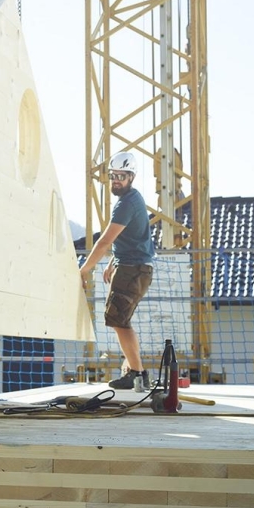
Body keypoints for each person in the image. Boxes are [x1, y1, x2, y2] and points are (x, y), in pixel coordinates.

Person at [79, 151, 156, 390]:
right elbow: (131, 237)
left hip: (132, 269)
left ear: (131, 177)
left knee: (119, 320)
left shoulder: (126, 204)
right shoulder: (133, 199)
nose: (116, 180)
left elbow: (104, 240)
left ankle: (137, 373)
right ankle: (135, 369)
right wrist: (114, 260)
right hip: (134, 266)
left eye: (121, 176)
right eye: (113, 175)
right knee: (121, 320)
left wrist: (84, 269)